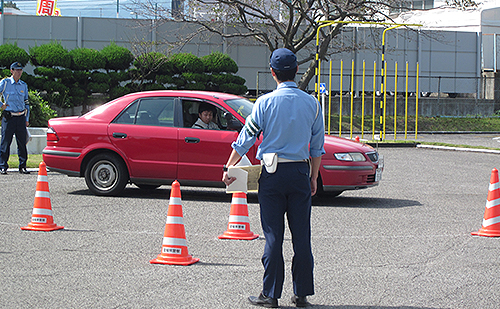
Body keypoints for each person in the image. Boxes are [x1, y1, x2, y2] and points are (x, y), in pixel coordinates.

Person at [222, 48, 325, 308]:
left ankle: (270, 295)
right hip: (300, 172)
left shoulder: (264, 103)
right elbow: (317, 147)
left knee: (273, 236)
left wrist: (229, 166)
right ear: (297, 71)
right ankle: (301, 294)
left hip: (272, 173)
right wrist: (313, 177)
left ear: (272, 72)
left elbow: (246, 138)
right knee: (302, 236)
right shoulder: (312, 104)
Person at [0, 62, 30, 175]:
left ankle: (23, 166)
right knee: (5, 142)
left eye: (20, 70)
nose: (19, 72)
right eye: (16, 70)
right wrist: (1, 105)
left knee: (22, 143)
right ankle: (3, 166)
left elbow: (26, 102)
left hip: (20, 117)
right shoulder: (5, 83)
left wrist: (27, 118)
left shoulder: (23, 85)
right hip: (9, 117)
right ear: (11, 71)